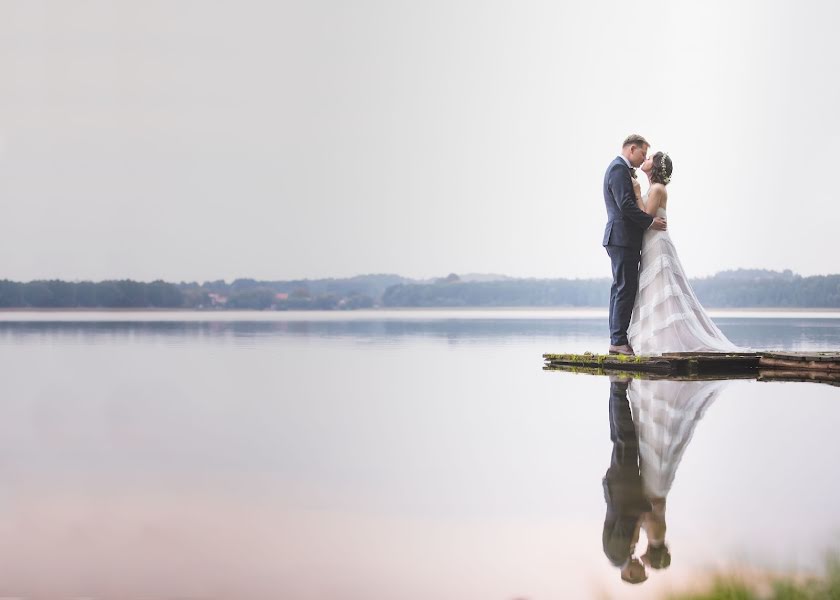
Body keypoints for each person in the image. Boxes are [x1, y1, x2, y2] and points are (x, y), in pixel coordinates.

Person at [627, 152, 740, 354]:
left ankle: (666, 342)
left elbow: (645, 216)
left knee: (662, 289)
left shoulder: (657, 189)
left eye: (650, 157)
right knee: (654, 289)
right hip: (651, 243)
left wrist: (636, 193)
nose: (646, 159)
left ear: (656, 166)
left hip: (657, 244)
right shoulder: (654, 188)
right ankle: (655, 340)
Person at [603, 135, 668, 356]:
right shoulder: (618, 169)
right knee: (624, 289)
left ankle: (617, 339)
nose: (642, 160)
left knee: (622, 288)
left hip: (622, 239)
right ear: (632, 149)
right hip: (622, 238)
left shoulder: (620, 169)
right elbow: (625, 206)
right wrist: (650, 222)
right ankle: (618, 341)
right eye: (642, 154)